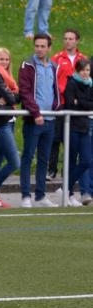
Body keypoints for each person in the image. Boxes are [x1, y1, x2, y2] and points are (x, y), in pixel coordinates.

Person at [19, 33, 61, 208]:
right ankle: (26, 196)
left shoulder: (53, 66)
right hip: (33, 120)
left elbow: (55, 90)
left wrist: (56, 106)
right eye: (37, 45)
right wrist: (35, 113)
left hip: (50, 120)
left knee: (44, 159)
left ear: (49, 48)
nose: (39, 49)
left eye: (43, 46)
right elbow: (25, 91)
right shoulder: (27, 65)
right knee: (28, 157)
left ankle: (41, 195)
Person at [48, 29, 88, 180]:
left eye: (71, 39)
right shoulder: (57, 58)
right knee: (55, 138)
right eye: (65, 38)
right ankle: (51, 170)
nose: (68, 41)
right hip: (61, 103)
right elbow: (51, 79)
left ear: (77, 41)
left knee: (73, 139)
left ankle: (69, 169)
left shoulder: (82, 59)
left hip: (78, 106)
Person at [0, 48, 21, 209]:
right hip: (1, 123)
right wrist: (10, 97)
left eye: (7, 60)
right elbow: (12, 97)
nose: (5, 62)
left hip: (9, 121)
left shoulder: (8, 78)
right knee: (15, 162)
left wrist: (9, 97)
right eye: (2, 59)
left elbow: (16, 97)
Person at [63, 58, 93, 206]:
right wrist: (83, 104)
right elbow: (69, 102)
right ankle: (68, 193)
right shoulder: (72, 83)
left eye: (87, 70)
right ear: (77, 70)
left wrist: (79, 102)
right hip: (73, 127)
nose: (85, 73)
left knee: (87, 160)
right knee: (71, 161)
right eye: (82, 70)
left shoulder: (90, 85)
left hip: (84, 127)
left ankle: (65, 187)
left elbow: (89, 104)